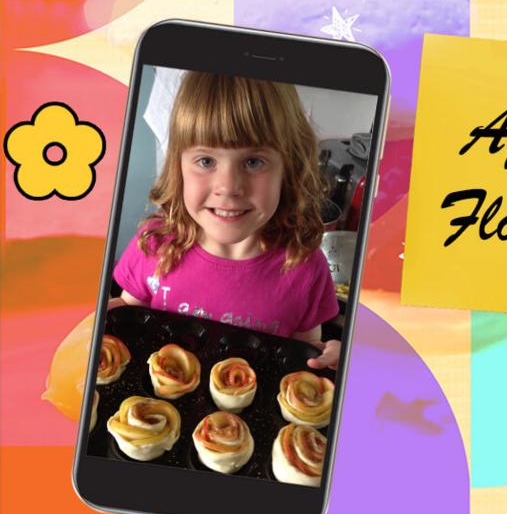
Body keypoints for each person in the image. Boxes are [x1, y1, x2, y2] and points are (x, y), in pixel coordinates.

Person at [111, 71, 341, 370]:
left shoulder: (305, 267)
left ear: (289, 168)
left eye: (253, 162)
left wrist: (328, 357)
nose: (229, 187)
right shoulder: (155, 242)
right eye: (206, 161)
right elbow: (128, 317)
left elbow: (304, 355)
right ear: (178, 167)